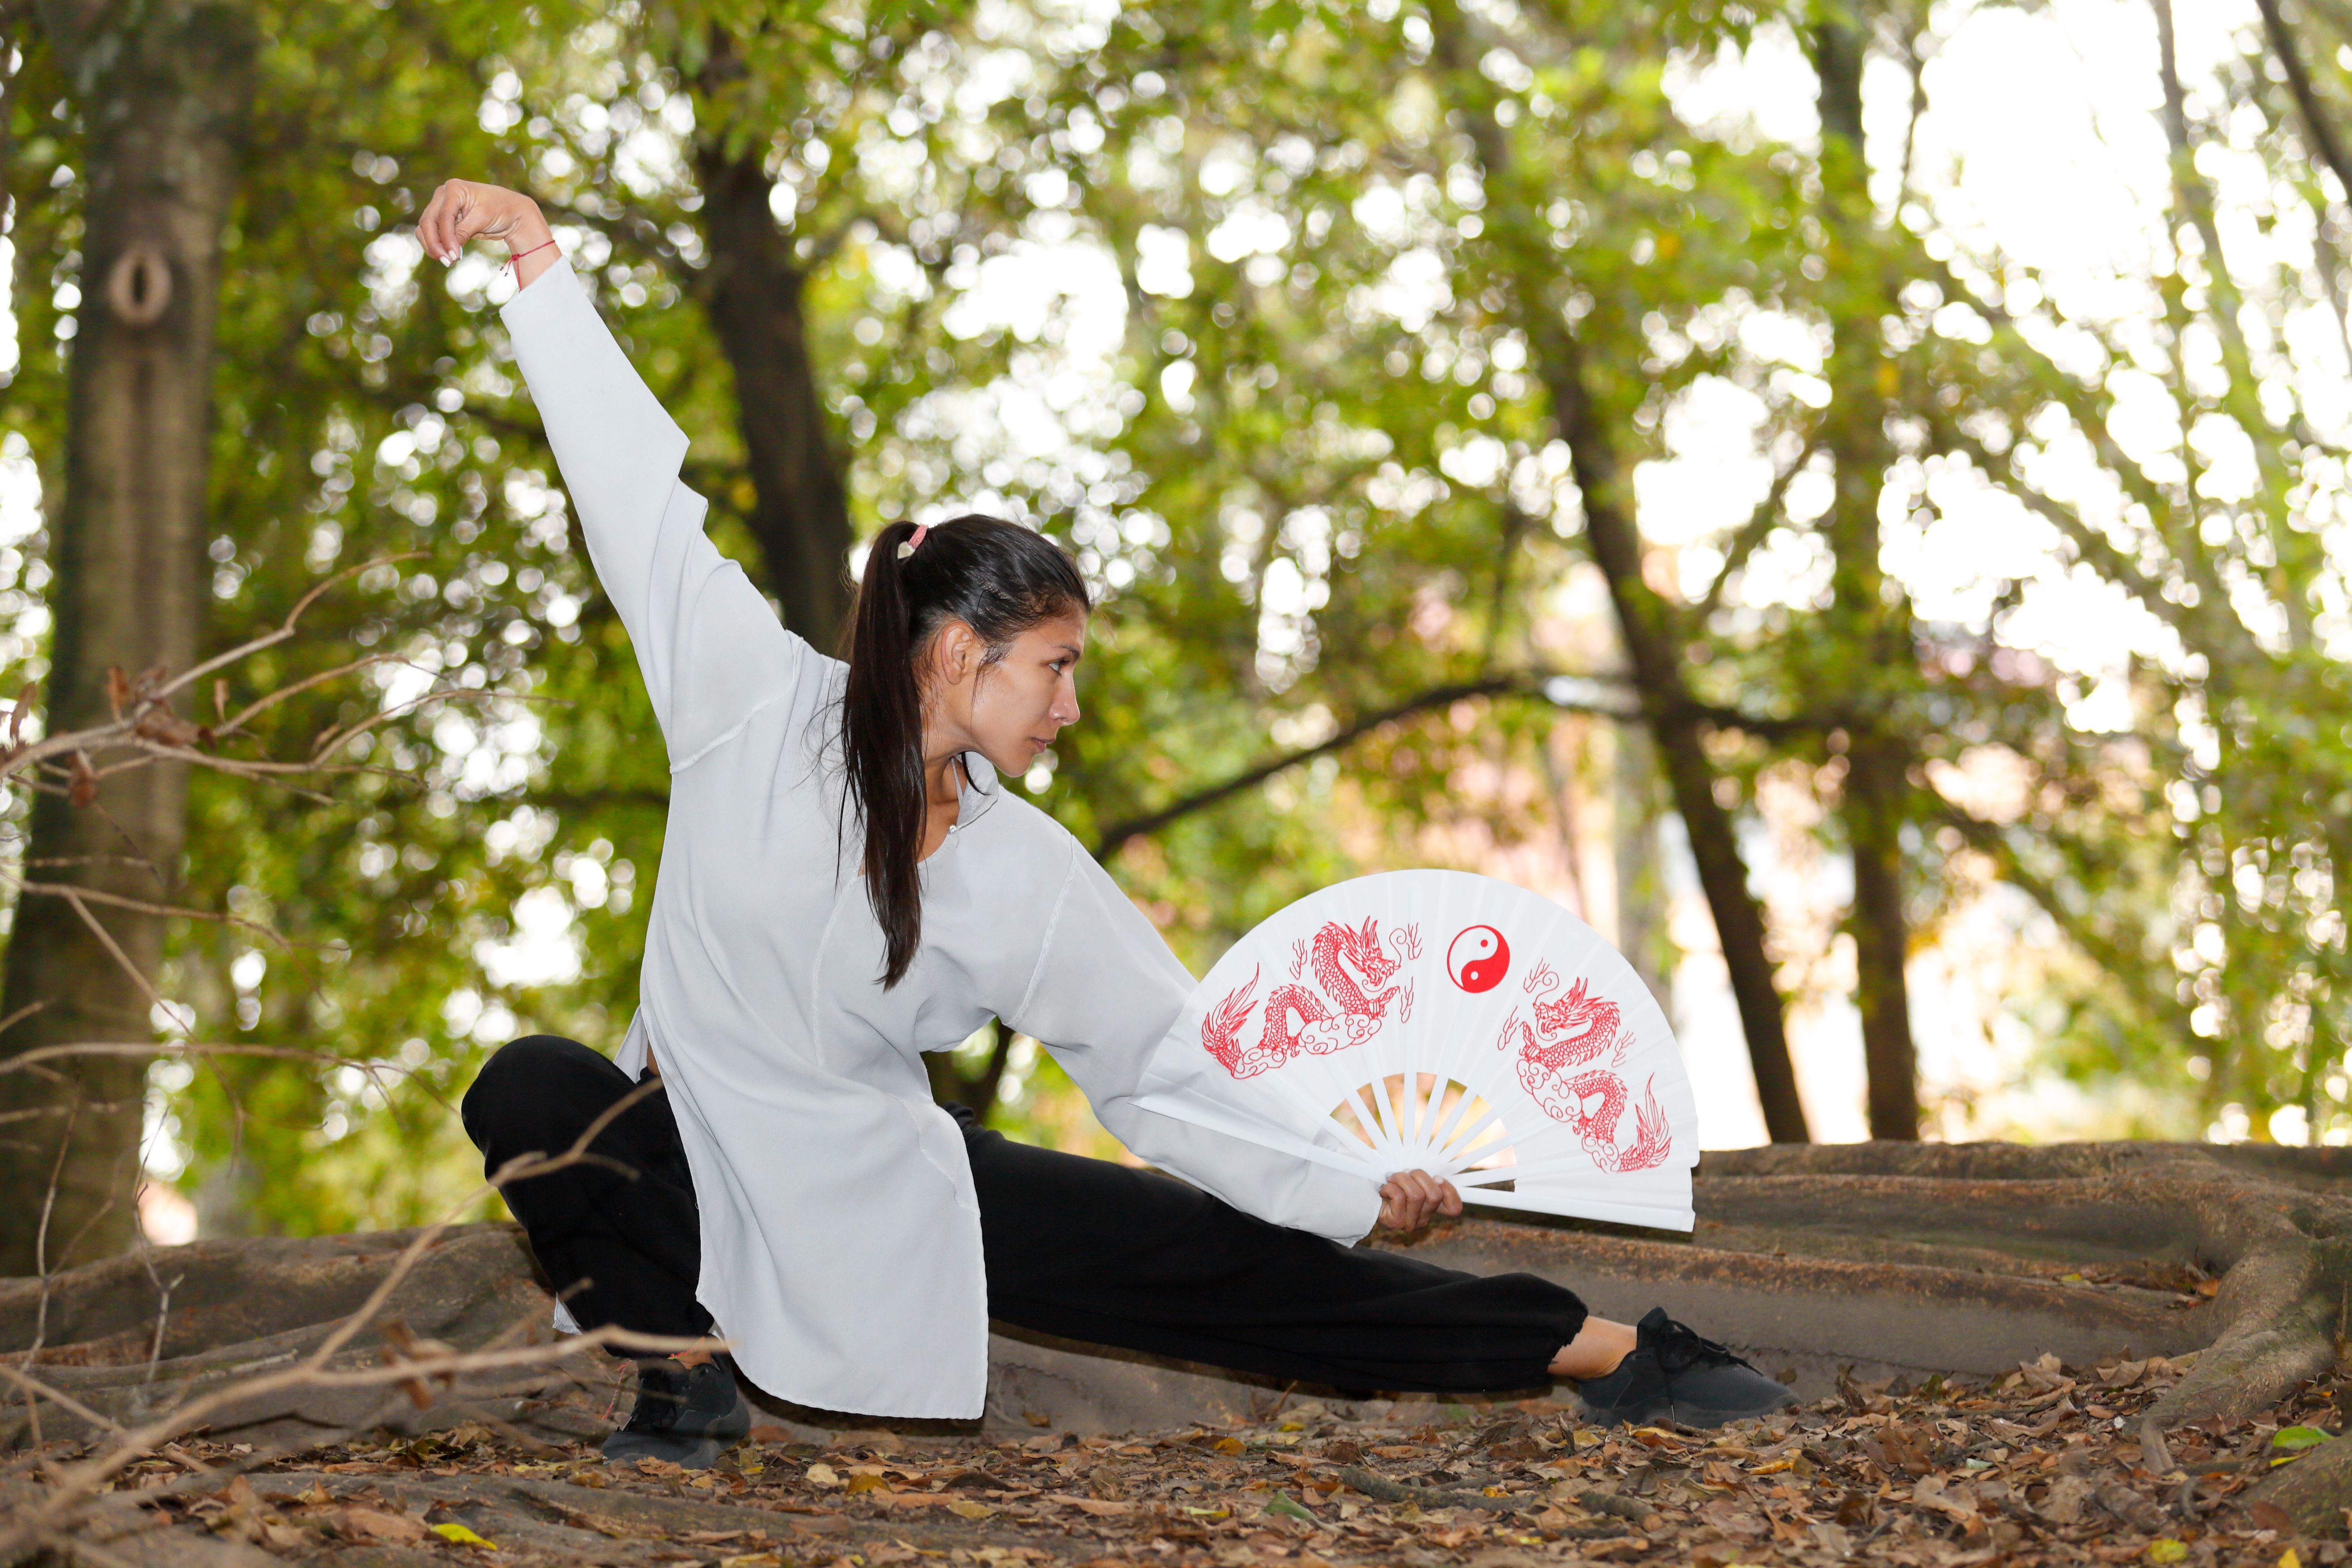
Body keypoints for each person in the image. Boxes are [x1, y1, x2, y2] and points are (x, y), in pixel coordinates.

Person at [420, 177, 1795, 1468]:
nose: (1069, 705)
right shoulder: (750, 704)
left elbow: (1162, 1066)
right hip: (690, 1155)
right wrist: (536, 261)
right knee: (529, 1086)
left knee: (1219, 1269)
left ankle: (1605, 1349)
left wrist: (1348, 1183)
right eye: (1055, 666)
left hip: (889, 1192)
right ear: (955, 651)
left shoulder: (1015, 867)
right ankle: (679, 1372)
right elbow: (634, 506)